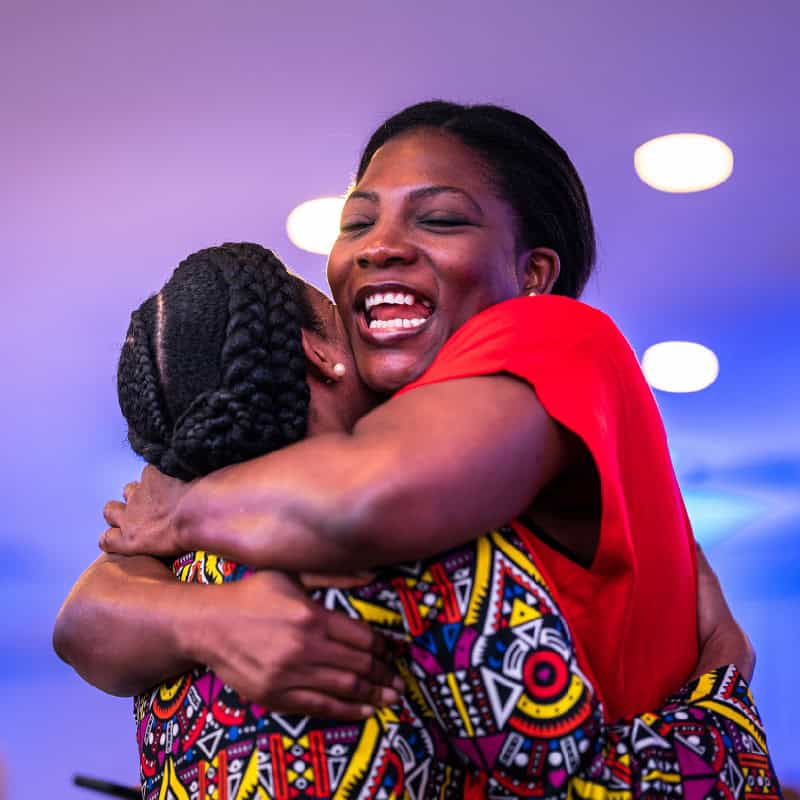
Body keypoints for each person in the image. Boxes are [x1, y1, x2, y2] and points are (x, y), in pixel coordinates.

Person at [54, 102, 781, 796]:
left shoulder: (553, 336)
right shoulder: (312, 509)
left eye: (437, 219)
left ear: (534, 274)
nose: (378, 246)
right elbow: (85, 619)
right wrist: (720, 712)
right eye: (357, 221)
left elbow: (361, 503)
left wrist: (183, 517)